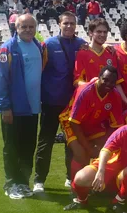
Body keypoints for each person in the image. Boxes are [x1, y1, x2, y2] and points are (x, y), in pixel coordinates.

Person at [33, 12, 87, 193]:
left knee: (71, 142)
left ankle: (69, 177)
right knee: (45, 141)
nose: (69, 26)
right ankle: (39, 180)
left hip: (73, 105)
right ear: (59, 24)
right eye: (66, 23)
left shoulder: (82, 45)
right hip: (51, 101)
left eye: (72, 23)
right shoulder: (49, 44)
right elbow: (39, 71)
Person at [64, 115, 127, 212]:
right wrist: (101, 172)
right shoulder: (125, 131)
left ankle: (116, 203)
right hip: (105, 170)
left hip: (120, 179)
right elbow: (105, 151)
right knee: (80, 177)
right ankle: (81, 200)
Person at [0, 14, 42, 199]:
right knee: (11, 147)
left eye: (31, 26)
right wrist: (4, 107)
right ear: (16, 27)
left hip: (32, 109)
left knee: (28, 147)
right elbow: (1, 80)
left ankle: (22, 183)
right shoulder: (8, 48)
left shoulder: (38, 46)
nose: (28, 30)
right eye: (24, 27)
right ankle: (10, 184)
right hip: (13, 110)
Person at [59, 66, 124, 183]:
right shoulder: (85, 91)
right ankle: (76, 188)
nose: (109, 84)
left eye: (112, 82)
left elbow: (116, 127)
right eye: (105, 80)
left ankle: (104, 184)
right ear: (99, 78)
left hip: (93, 124)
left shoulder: (115, 96)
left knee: (108, 151)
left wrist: (107, 147)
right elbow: (74, 123)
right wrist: (89, 148)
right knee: (81, 153)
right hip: (71, 123)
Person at [73, 18, 120, 87]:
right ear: (90, 33)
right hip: (89, 95)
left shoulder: (111, 53)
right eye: (99, 32)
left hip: (107, 96)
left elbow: (116, 81)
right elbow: (77, 81)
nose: (102, 34)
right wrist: (93, 85)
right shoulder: (82, 53)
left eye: (105, 32)